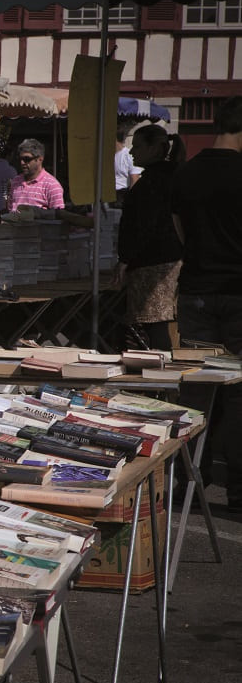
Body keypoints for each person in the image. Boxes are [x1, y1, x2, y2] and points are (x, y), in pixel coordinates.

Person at [171, 95, 242, 512]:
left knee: (197, 393)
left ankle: (185, 483)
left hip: (196, 288)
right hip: (238, 291)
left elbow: (181, 233)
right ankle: (238, 491)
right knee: (238, 396)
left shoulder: (187, 173)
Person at [115, 124, 184, 351]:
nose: (132, 152)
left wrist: (126, 258)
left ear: (155, 148)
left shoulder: (156, 181)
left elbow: (145, 225)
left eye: (137, 146)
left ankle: (160, 377)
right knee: (158, 325)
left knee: (155, 325)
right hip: (163, 259)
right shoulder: (168, 177)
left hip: (154, 262)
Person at [6, 138, 66, 211]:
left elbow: (58, 216)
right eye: (20, 159)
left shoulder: (52, 185)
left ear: (40, 159)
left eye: (26, 159)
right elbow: (10, 210)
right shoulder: (15, 181)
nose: (22, 163)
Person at [114, 123, 141, 206]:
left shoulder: (128, 155)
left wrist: (130, 201)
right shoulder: (105, 155)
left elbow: (135, 179)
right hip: (107, 194)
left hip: (121, 196)